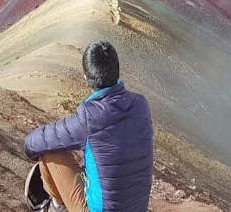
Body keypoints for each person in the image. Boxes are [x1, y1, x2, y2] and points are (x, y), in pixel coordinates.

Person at [24, 41, 153, 212]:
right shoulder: (141, 105)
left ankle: (56, 208)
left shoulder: (89, 116)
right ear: (117, 70)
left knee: (50, 151)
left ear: (86, 78)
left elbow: (36, 142)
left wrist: (27, 150)